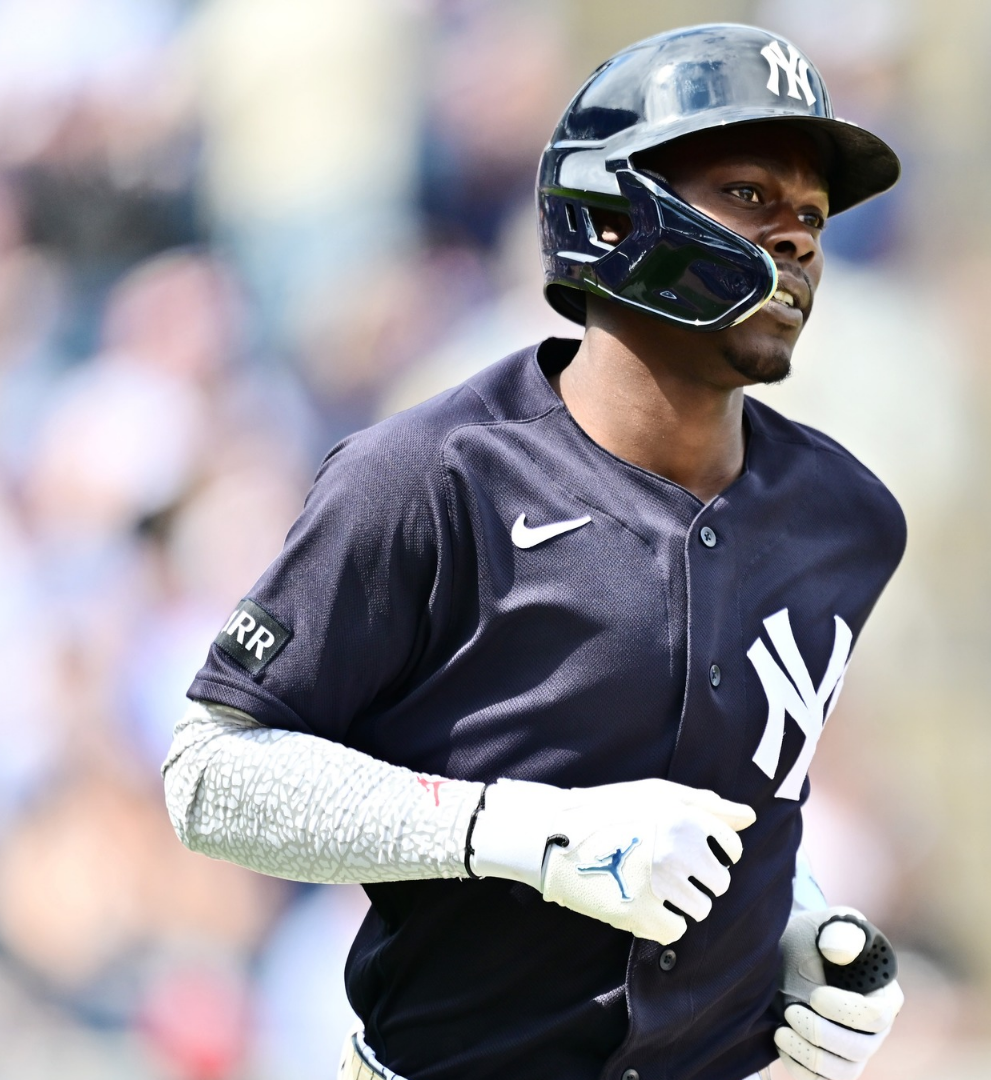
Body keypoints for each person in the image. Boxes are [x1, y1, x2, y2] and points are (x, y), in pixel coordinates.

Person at [162, 25, 908, 1080]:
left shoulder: (849, 517)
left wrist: (794, 924)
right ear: (611, 209)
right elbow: (211, 778)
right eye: (748, 193)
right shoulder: (425, 474)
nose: (795, 238)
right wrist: (515, 834)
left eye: (812, 215)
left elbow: (731, 794)